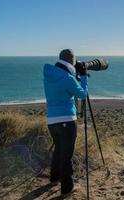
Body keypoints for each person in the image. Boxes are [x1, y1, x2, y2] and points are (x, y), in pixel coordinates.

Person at [43, 49, 87, 196]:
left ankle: (54, 178)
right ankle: (67, 189)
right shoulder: (68, 78)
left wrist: (75, 76)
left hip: (52, 121)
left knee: (58, 149)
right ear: (71, 61)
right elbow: (82, 94)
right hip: (67, 119)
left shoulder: (49, 75)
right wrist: (84, 77)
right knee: (66, 155)